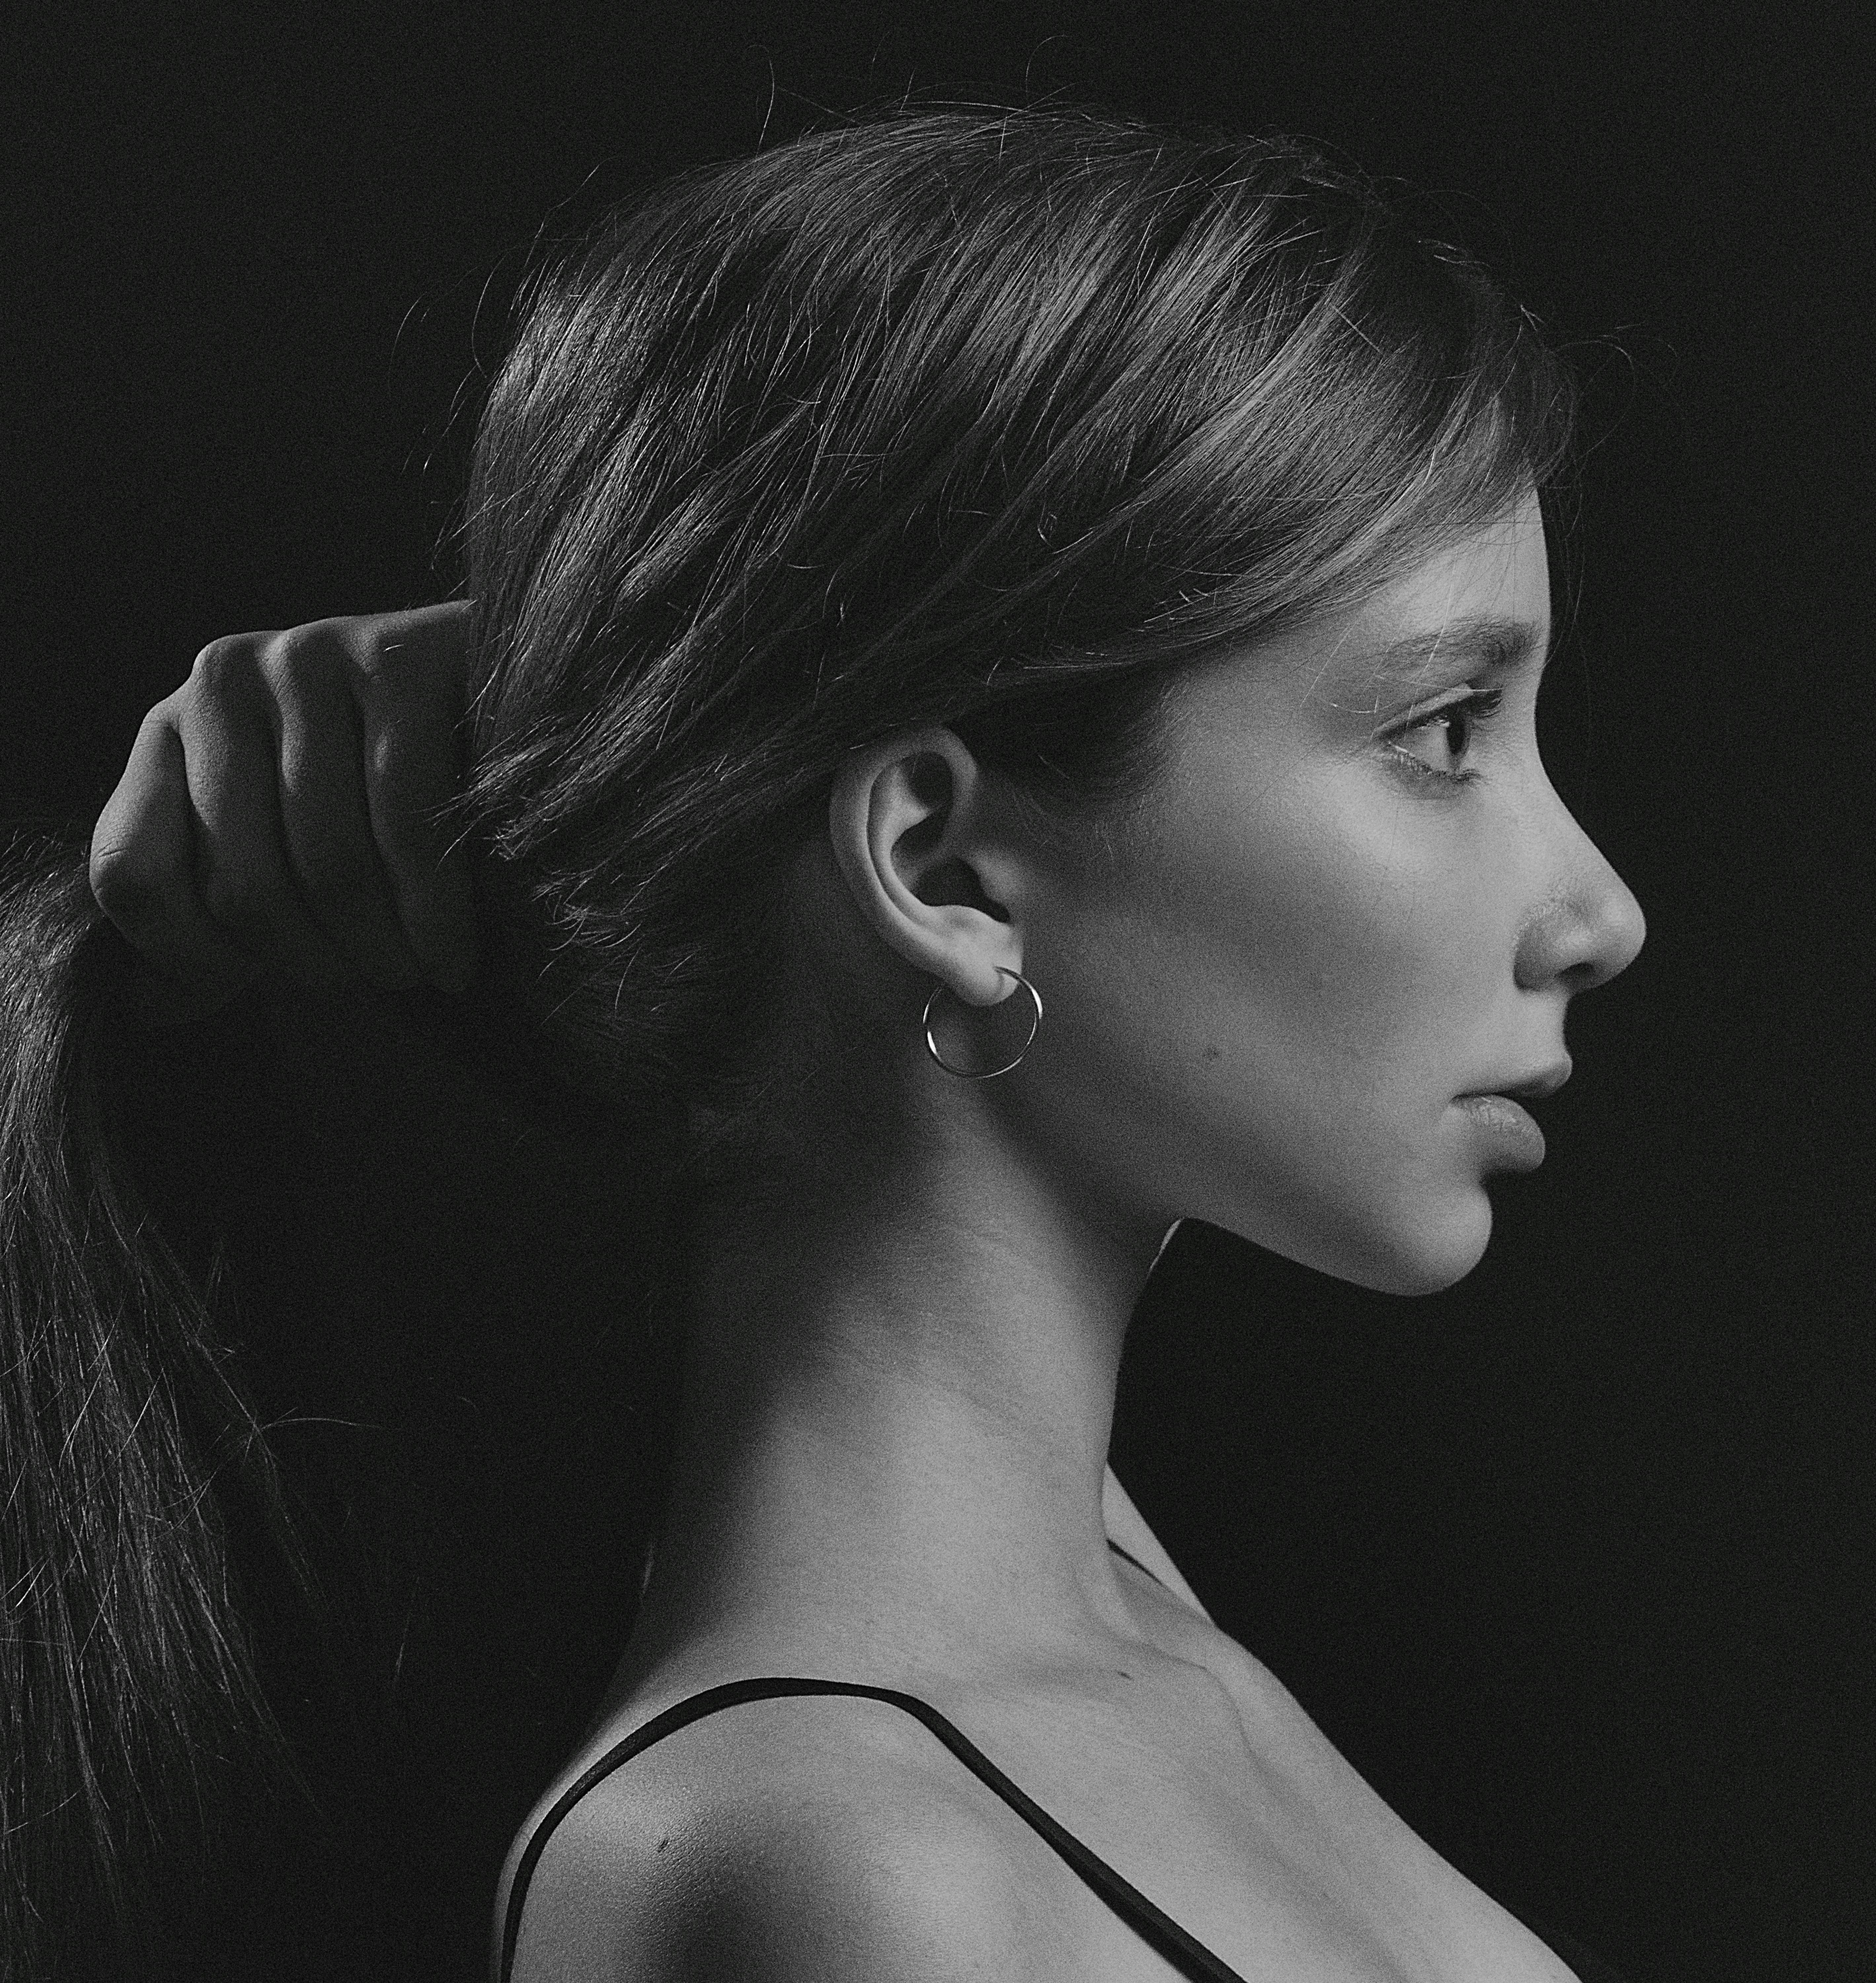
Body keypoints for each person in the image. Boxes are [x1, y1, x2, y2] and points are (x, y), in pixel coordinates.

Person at [7, 106, 1646, 1980]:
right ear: (945, 865)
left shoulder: (1086, 1613)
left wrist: (591, 719)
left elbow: (795, 821)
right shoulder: (845, 1875)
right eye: (1442, 731)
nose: (1597, 909)